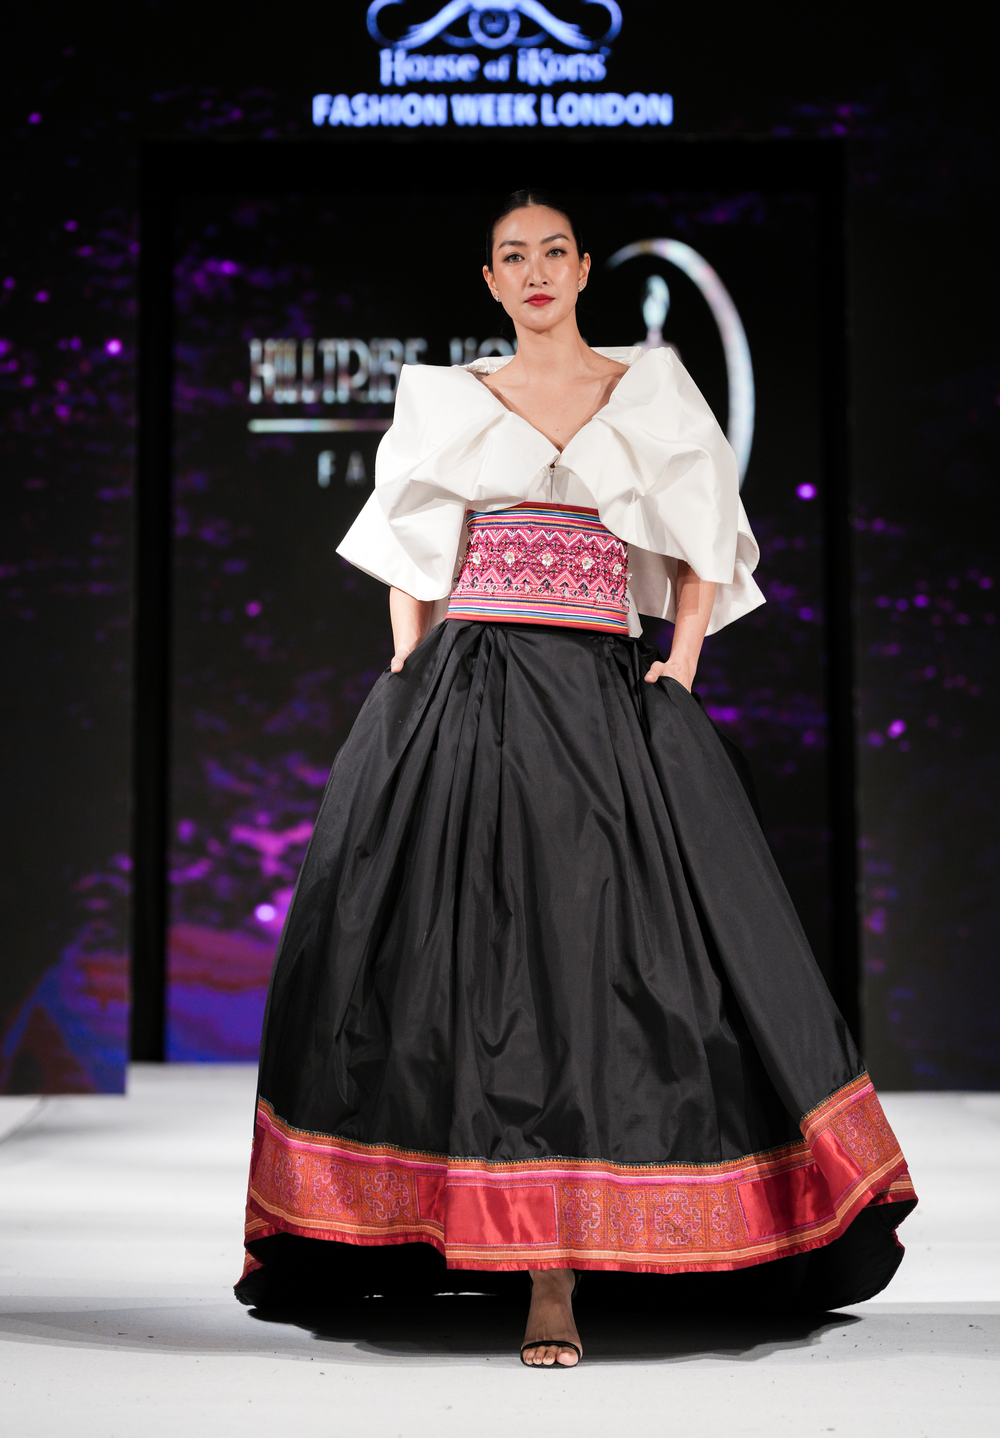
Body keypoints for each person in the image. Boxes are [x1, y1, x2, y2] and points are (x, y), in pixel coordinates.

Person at [236, 189, 916, 1367]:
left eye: (554, 250)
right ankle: (493, 1242)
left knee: (600, 966)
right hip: (470, 691)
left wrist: (681, 665)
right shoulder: (450, 397)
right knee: (462, 966)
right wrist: (405, 666)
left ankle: (561, 1268)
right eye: (514, 255)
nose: (536, 269)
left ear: (586, 267)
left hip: (601, 698)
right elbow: (410, 544)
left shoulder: (648, 388)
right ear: (490, 279)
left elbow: (702, 539)